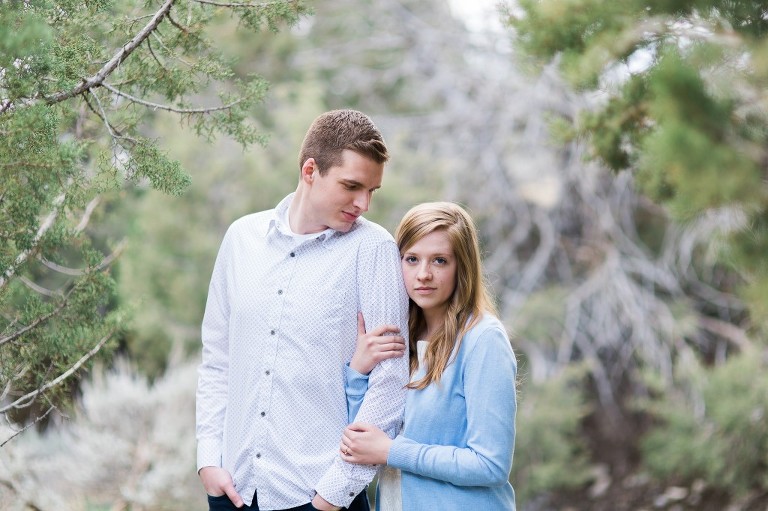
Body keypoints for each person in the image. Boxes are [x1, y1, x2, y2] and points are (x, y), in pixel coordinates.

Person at [196, 109, 410, 511]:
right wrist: (208, 459)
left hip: (322, 497)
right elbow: (217, 360)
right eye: (352, 186)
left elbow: (391, 380)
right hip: (234, 489)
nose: (363, 203)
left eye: (372, 191)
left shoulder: (374, 250)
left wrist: (333, 493)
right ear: (310, 170)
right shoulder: (241, 239)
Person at [340, 202, 518, 510]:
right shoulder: (397, 339)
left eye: (439, 260)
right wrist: (358, 371)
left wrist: (393, 451)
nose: (423, 274)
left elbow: (491, 464)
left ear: (462, 266)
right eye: (411, 259)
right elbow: (364, 441)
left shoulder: (482, 339)